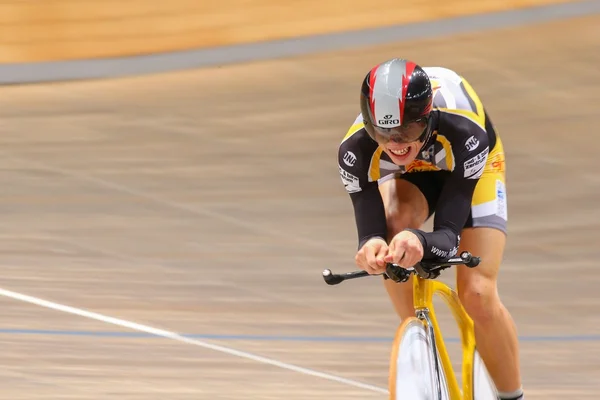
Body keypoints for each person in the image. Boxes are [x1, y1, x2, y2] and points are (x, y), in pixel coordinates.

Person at [337, 59, 523, 400]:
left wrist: (422, 240)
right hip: (416, 173)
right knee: (393, 235)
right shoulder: (355, 150)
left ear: (426, 117)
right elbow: (370, 229)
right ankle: (421, 344)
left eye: (405, 132)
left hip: (468, 169)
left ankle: (513, 396)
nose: (394, 143)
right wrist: (373, 245)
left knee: (478, 293)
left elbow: (450, 236)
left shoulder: (464, 131)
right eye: (382, 133)